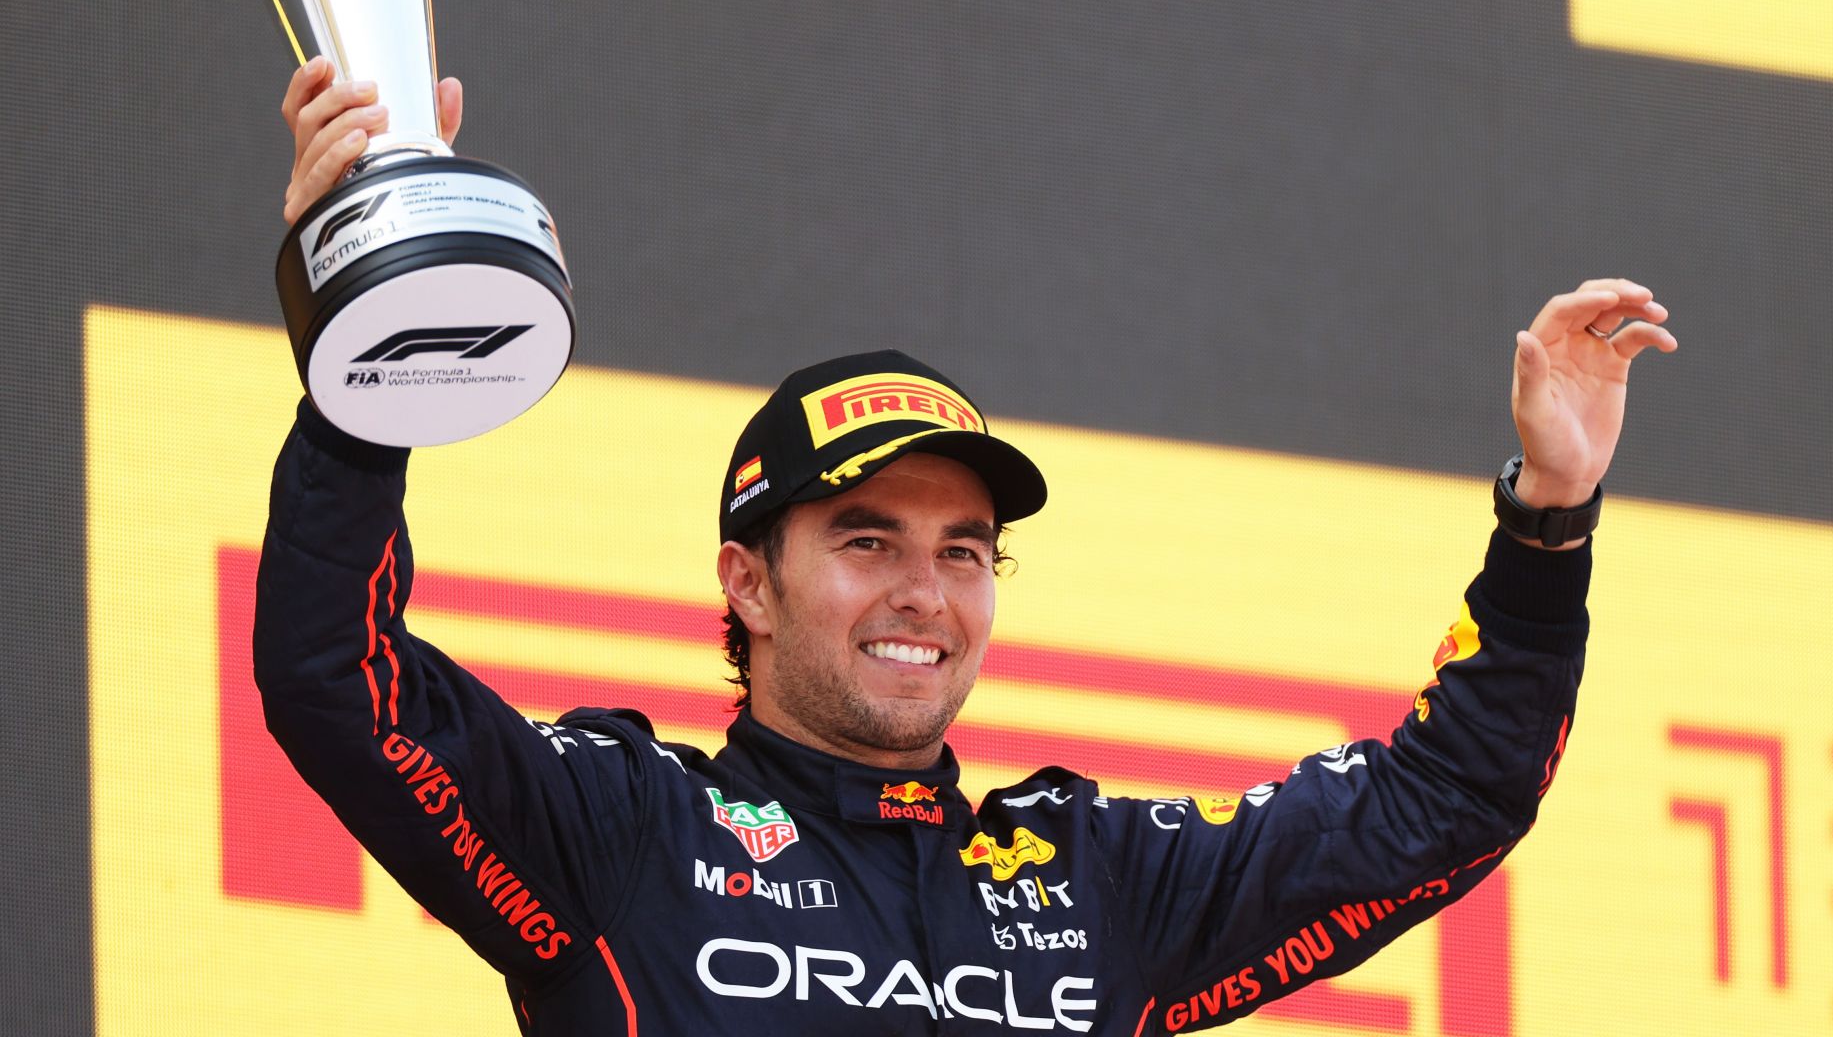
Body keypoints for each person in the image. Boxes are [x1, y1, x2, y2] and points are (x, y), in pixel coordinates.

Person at [258, 60, 1678, 1034]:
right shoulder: (624, 830)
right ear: (746, 583)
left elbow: (1445, 803)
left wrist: (1546, 519)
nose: (923, 594)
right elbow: (336, 675)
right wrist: (370, 356)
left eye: (965, 550)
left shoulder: (1095, 886)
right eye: (867, 540)